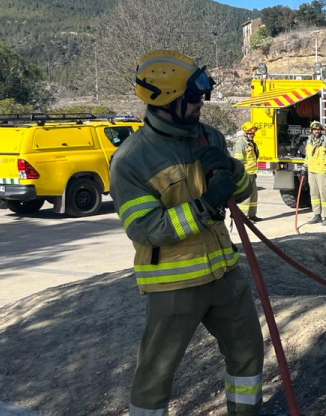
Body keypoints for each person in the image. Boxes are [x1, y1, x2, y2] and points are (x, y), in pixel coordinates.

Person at [111, 50, 264, 416]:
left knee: (248, 354)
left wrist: (229, 170)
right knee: (156, 374)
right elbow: (146, 228)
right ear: (167, 101)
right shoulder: (131, 160)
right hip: (174, 285)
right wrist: (205, 204)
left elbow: (241, 190)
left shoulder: (209, 136)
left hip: (224, 274)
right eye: (193, 97)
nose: (201, 103)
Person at [305, 120, 326, 225]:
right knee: (313, 194)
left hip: (322, 172)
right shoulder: (309, 141)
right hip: (311, 171)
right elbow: (307, 156)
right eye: (314, 129)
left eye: (318, 129)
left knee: (324, 195)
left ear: (321, 130)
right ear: (311, 131)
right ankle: (317, 215)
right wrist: (304, 168)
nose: (316, 131)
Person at [232, 121, 261, 221]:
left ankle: (252, 215)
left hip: (252, 173)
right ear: (245, 133)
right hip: (245, 174)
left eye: (253, 133)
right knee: (246, 197)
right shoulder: (240, 144)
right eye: (250, 133)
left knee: (253, 195)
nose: (252, 135)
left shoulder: (251, 144)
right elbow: (238, 161)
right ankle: (244, 217)